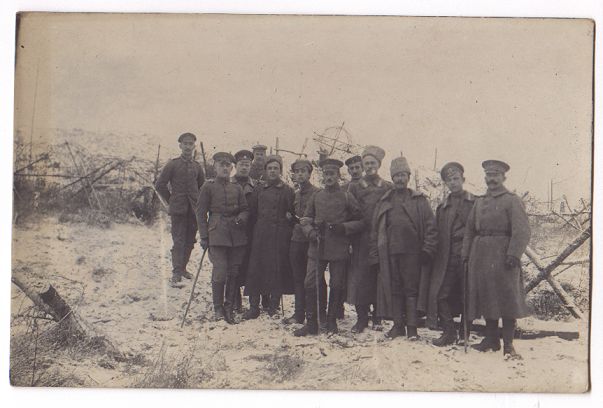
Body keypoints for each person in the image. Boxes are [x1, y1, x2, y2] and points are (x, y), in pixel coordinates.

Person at [462, 160, 531, 359]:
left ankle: (508, 344)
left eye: (495, 175)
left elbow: (522, 231)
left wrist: (513, 254)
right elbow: (469, 230)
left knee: (507, 298)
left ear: (503, 177)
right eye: (488, 175)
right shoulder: (480, 201)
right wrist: (466, 254)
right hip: (481, 255)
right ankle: (491, 340)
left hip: (503, 256)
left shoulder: (512, 200)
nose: (491, 179)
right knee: (486, 296)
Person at [370, 155, 438, 340]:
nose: (399, 179)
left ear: (408, 177)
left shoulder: (419, 200)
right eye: (396, 176)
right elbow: (375, 230)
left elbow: (431, 227)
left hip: (413, 254)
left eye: (403, 175)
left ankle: (412, 328)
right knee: (394, 289)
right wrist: (375, 255)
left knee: (411, 290)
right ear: (392, 178)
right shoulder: (385, 200)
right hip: (390, 253)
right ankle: (398, 326)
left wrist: (427, 249)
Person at [294, 158, 364, 336]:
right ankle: (313, 322)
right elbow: (305, 219)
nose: (329, 177)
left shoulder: (346, 196)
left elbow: (361, 221)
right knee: (311, 282)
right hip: (317, 246)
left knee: (337, 284)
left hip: (338, 247)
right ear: (322, 176)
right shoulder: (316, 196)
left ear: (338, 176)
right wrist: (310, 232)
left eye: (332, 174)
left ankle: (331, 321)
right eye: (326, 174)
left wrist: (344, 228)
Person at [196, 152, 249, 324]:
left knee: (233, 271)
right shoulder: (208, 186)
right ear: (215, 167)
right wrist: (204, 236)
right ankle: (218, 307)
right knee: (220, 270)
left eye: (228, 165)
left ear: (232, 168)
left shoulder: (237, 188)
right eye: (221, 165)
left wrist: (242, 217)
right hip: (217, 233)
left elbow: (245, 209)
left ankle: (229, 307)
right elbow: (200, 212)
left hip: (236, 234)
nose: (225, 168)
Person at [426, 162, 475, 346]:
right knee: (441, 295)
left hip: (469, 257)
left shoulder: (475, 202)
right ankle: (449, 332)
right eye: (449, 180)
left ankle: (465, 333)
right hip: (447, 259)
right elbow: (437, 233)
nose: (453, 183)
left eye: (456, 179)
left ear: (463, 179)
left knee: (468, 296)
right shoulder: (443, 207)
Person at [243, 155, 296, 319]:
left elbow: (293, 213)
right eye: (270, 168)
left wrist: (289, 219)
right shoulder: (259, 189)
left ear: (280, 170)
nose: (273, 171)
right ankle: (254, 307)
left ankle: (273, 306)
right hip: (260, 234)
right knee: (256, 268)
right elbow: (252, 212)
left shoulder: (287, 190)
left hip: (280, 235)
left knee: (276, 268)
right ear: (265, 171)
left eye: (276, 168)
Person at [347, 146, 393, 333]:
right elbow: (350, 213)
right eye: (366, 163)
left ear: (379, 164)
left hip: (382, 238)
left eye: (373, 163)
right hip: (361, 239)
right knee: (361, 279)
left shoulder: (388, 187)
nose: (369, 167)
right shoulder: (355, 187)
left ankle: (378, 316)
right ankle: (361, 318)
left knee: (379, 278)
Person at [155, 132, 205, 285]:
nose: (188, 147)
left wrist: (197, 202)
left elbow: (202, 186)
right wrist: (171, 199)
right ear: (180, 145)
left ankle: (183, 268)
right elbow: (160, 185)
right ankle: (176, 272)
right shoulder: (173, 164)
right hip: (178, 209)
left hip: (193, 210)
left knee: (190, 240)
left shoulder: (197, 166)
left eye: (191, 144)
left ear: (194, 146)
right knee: (179, 240)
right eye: (185, 144)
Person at [284, 159, 322, 325]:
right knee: (298, 278)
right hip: (296, 240)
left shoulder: (317, 193)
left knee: (314, 279)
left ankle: (319, 313)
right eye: (297, 171)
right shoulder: (296, 194)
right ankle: (299, 314)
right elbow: (295, 217)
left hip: (311, 241)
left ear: (309, 174)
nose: (299, 174)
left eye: (303, 171)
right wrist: (291, 219)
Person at [231, 150, 256, 313]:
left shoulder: (256, 187)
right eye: (241, 164)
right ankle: (234, 301)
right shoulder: (227, 184)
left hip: (251, 233)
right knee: (233, 267)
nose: (244, 168)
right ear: (236, 166)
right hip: (232, 232)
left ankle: (255, 303)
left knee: (250, 266)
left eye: (247, 165)